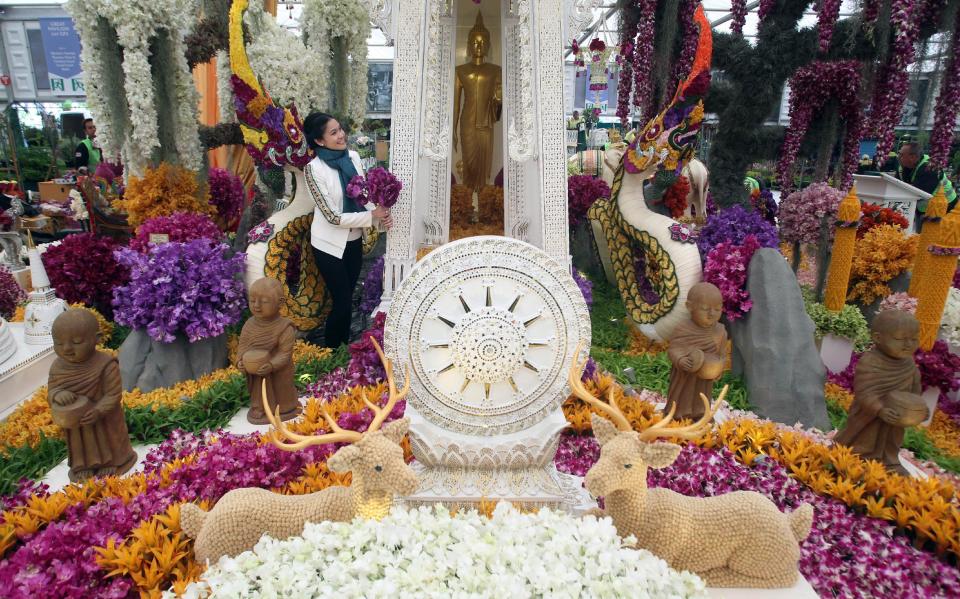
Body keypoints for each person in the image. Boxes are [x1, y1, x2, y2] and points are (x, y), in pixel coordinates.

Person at [303, 113, 391, 348]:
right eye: (333, 133)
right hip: (328, 245)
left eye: (340, 129)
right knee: (341, 301)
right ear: (319, 141)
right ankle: (332, 352)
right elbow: (331, 216)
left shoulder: (352, 157)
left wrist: (382, 215)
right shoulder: (314, 170)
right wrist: (371, 216)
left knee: (348, 297)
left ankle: (343, 349)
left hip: (353, 241)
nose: (341, 135)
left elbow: (364, 195)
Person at [47, 309, 136, 482]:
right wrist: (58, 394)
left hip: (104, 418)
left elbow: (113, 394)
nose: (67, 349)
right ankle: (83, 466)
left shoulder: (106, 364)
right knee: (81, 443)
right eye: (58, 343)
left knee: (108, 437)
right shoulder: (58, 367)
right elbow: (52, 390)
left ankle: (114, 462)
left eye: (77, 342)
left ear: (97, 338)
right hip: (77, 424)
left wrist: (98, 410)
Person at [833, 310, 925, 476]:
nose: (908, 344)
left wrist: (920, 409)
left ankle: (890, 462)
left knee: (892, 439)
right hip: (869, 416)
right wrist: (880, 409)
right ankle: (855, 458)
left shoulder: (909, 365)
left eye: (914, 339)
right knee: (865, 438)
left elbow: (915, 389)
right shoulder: (871, 361)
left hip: (896, 417)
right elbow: (864, 392)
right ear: (877, 338)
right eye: (899, 339)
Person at [237, 278, 301, 424]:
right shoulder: (249, 325)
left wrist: (271, 365)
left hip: (278, 372)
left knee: (282, 393)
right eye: (252, 301)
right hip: (256, 372)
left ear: (280, 302)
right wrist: (240, 361)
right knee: (259, 392)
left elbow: (284, 354)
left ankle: (286, 408)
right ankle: (259, 408)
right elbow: (243, 347)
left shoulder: (285, 327)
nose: (257, 306)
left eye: (264, 301)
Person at [666, 282, 728, 420]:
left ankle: (701, 413)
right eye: (705, 309)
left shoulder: (720, 331)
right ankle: (679, 414)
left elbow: (722, 354)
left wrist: (719, 367)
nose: (711, 314)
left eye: (717, 309)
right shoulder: (683, 328)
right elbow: (674, 349)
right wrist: (681, 360)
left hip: (706, 375)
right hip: (685, 375)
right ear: (689, 307)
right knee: (684, 394)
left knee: (703, 395)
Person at [885, 142, 957, 227]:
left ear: (913, 157)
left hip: (945, 207)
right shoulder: (903, 167)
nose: (898, 157)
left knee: (936, 236)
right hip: (924, 208)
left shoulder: (930, 167)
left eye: (901, 154)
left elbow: (918, 193)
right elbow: (897, 186)